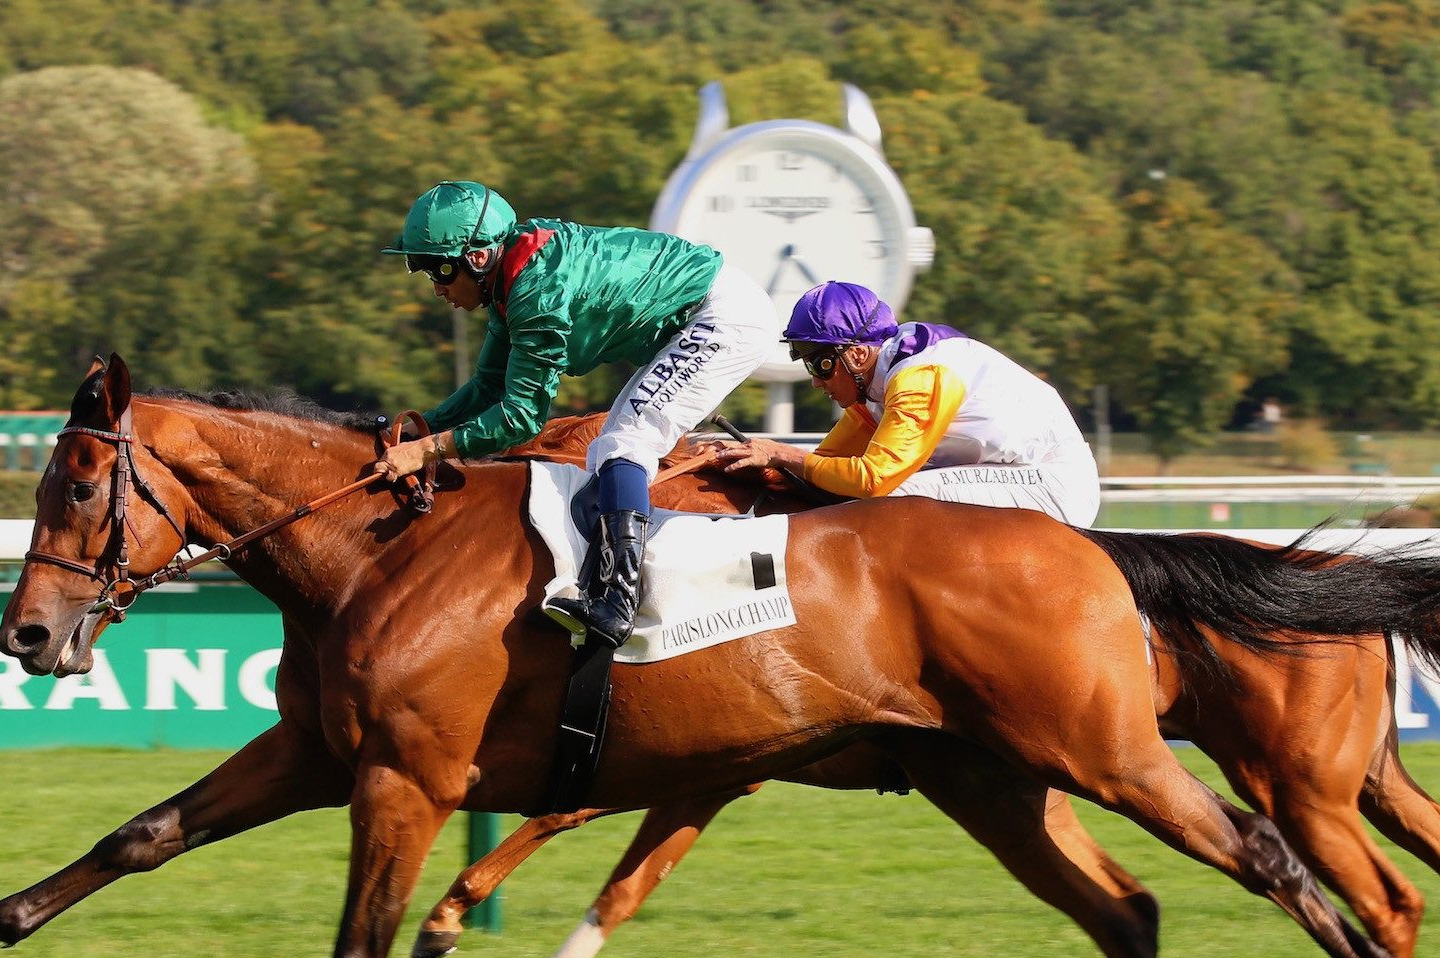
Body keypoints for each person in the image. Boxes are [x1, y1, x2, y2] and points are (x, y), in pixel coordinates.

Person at [378, 180, 777, 647]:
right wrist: (414, 431)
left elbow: (520, 419)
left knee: (624, 444)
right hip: (706, 308)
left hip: (723, 317)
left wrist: (427, 450)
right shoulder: (516, 275)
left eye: (440, 271)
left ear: (478, 257)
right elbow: (489, 386)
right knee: (608, 451)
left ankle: (617, 603)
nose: (437, 289)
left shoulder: (536, 292)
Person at [713, 282, 1100, 526]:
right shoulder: (878, 383)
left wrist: (781, 453)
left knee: (887, 498)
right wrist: (751, 459)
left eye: (821, 363)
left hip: (1050, 481)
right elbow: (821, 468)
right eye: (808, 364)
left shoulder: (919, 377)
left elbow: (871, 480)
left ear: (859, 354)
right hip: (1009, 471)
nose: (816, 380)